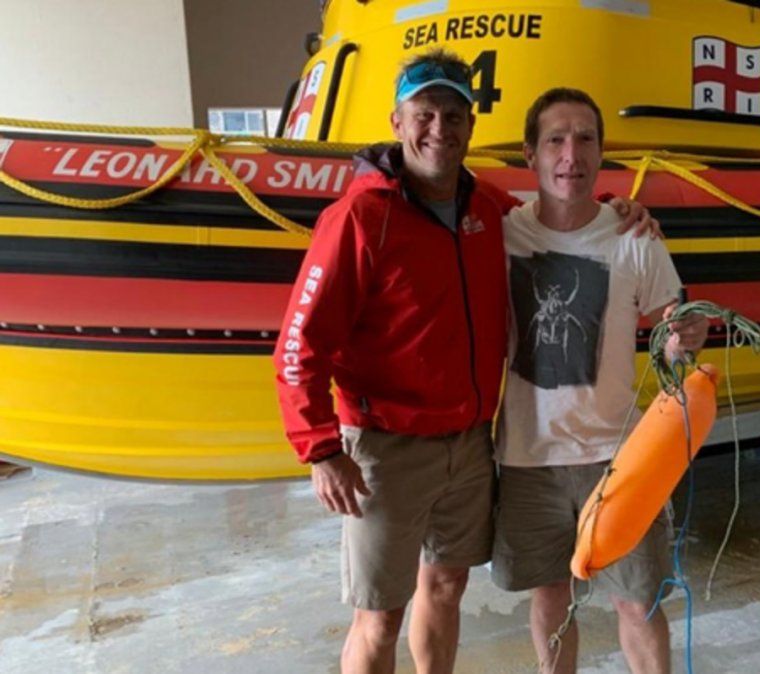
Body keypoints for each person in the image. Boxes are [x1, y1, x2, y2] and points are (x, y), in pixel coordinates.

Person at [273, 50, 658, 674]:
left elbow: (560, 222)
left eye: (454, 115)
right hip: (386, 448)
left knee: (446, 586)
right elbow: (298, 345)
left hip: (472, 443)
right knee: (378, 616)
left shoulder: (489, 210)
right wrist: (320, 447)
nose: (439, 129)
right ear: (398, 121)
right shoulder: (359, 219)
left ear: (471, 126)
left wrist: (615, 210)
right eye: (425, 114)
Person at [491, 88, 709, 674]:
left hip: (619, 459)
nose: (571, 153)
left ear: (601, 151)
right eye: (556, 139)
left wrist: (686, 336)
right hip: (526, 458)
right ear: (530, 154)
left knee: (637, 601)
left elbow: (677, 325)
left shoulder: (635, 236)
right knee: (549, 596)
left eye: (585, 138)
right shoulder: (501, 234)